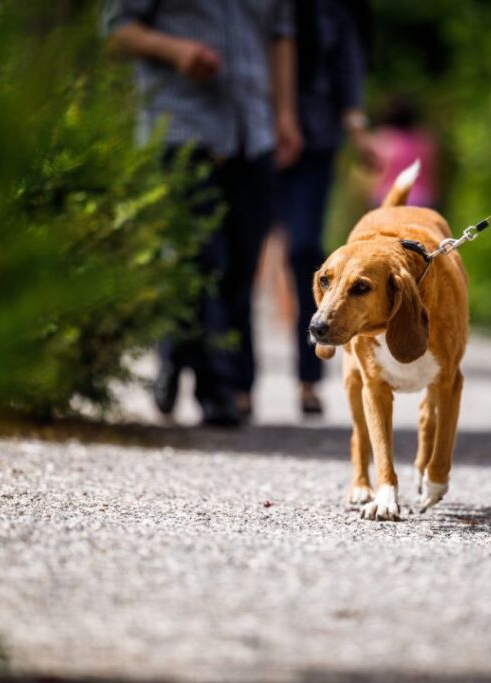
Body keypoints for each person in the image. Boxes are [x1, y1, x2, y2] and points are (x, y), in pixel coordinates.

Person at [103, 0, 302, 427]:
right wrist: (176, 50)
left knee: (242, 263)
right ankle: (218, 386)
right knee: (201, 259)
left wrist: (285, 114)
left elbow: (281, 35)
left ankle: (175, 351)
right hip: (180, 129)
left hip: (253, 132)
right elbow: (117, 30)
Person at [276, 0, 376, 417]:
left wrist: (358, 131)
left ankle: (309, 379)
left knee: (304, 250)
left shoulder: (332, 11)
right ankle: (227, 383)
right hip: (246, 140)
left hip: (313, 141)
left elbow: (347, 70)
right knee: (236, 259)